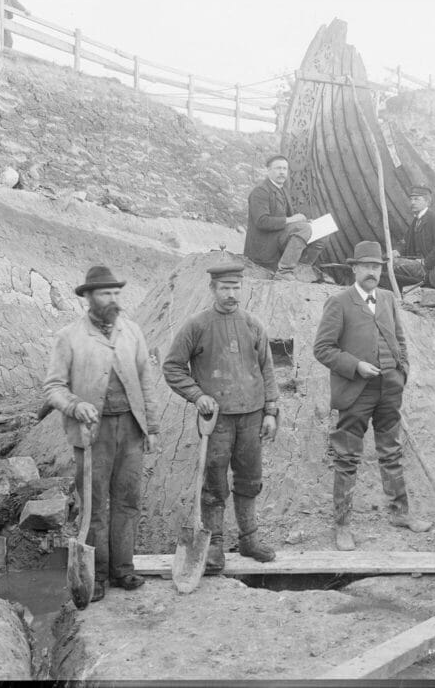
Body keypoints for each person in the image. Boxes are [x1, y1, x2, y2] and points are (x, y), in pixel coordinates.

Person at [43, 266, 159, 602]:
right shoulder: (69, 337)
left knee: (128, 501)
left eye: (116, 293)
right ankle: (99, 575)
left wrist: (151, 427)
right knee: (94, 506)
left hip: (131, 429)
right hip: (93, 433)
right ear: (89, 298)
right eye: (106, 294)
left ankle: (124, 569)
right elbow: (53, 387)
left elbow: (145, 381)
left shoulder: (132, 332)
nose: (113, 300)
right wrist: (75, 405)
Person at [313, 241, 431, 551]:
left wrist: (401, 372)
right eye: (366, 266)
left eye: (377, 267)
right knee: (347, 457)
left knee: (391, 451)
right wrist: (355, 366)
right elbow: (322, 349)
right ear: (354, 268)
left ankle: (400, 513)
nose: (372, 272)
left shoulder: (389, 299)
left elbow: (400, 340)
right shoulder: (339, 303)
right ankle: (342, 525)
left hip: (390, 389)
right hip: (355, 392)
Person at [163, 264, 280, 572]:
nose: (231, 294)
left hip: (252, 416)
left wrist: (270, 411)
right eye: (225, 288)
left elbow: (267, 370)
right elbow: (173, 367)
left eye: (236, 287)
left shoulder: (253, 325)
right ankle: (214, 543)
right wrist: (198, 395)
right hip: (216, 420)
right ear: (212, 289)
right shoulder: (196, 326)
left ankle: (249, 539)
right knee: (215, 482)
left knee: (249, 478)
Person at [244, 154, 325, 280]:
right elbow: (262, 221)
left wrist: (306, 222)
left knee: (322, 230)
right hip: (263, 247)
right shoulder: (260, 191)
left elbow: (288, 219)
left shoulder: (283, 190)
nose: (282, 172)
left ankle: (300, 267)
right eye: (278, 168)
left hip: (277, 239)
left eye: (284, 169)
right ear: (268, 170)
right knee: (304, 229)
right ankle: (284, 272)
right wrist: (293, 220)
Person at [391, 185, 435, 288]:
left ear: (427, 202)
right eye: (411, 199)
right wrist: (396, 251)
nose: (412, 202)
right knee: (389, 261)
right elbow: (405, 241)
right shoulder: (416, 221)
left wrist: (426, 262)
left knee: (393, 265)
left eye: (416, 199)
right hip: (421, 267)